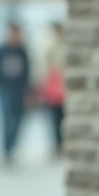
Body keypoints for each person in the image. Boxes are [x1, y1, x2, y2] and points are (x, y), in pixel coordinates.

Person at [0, 23, 31, 164]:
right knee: (6, 117)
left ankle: (12, 146)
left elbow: (27, 71)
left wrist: (28, 89)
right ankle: (6, 150)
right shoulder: (1, 50)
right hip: (4, 89)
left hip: (19, 89)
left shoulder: (22, 51)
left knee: (19, 117)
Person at [41, 22, 66, 157]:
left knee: (63, 117)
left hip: (63, 88)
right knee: (55, 119)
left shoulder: (66, 46)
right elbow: (45, 69)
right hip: (53, 87)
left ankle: (62, 144)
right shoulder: (49, 47)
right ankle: (57, 144)